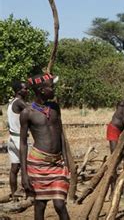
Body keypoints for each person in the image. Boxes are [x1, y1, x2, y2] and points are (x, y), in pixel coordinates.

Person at [20, 73, 70, 220]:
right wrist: (24, 174)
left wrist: (66, 161)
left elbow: (61, 135)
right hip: (38, 165)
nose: (54, 90)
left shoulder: (55, 107)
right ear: (42, 90)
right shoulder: (27, 113)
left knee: (60, 205)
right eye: (52, 87)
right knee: (40, 204)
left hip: (57, 164)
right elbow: (23, 144)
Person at [7, 80, 28, 200]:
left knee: (14, 168)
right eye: (25, 89)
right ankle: (29, 192)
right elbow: (31, 111)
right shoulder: (20, 102)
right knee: (28, 166)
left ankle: (14, 194)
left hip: (11, 138)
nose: (27, 91)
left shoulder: (12, 102)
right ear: (19, 91)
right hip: (19, 139)